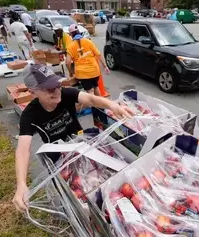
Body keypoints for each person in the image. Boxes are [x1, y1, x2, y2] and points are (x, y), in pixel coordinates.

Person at [12, 63, 134, 212]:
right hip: (59, 158)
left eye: (57, 85)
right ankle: (74, 210)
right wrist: (21, 184)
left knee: (97, 180)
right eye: (49, 88)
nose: (56, 91)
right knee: (74, 192)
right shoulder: (29, 115)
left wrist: (113, 106)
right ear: (33, 92)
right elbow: (23, 150)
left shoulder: (65, 93)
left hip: (82, 147)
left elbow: (90, 99)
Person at [65, 24, 110, 96]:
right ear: (79, 31)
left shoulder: (71, 46)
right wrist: (105, 66)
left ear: (71, 34)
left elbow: (67, 62)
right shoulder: (88, 42)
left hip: (83, 74)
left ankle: (94, 106)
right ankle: (100, 105)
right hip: (94, 71)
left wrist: (70, 71)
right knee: (96, 87)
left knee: (90, 91)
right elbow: (98, 55)